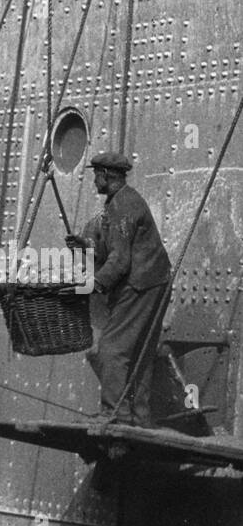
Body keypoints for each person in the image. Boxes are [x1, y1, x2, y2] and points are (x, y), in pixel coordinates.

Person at [65, 151, 172, 426]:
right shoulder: (121, 201)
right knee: (139, 353)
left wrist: (96, 283)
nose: (93, 182)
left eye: (95, 176)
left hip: (141, 284)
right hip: (152, 281)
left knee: (112, 348)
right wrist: (86, 246)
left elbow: (120, 260)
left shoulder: (123, 207)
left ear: (107, 176)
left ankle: (115, 415)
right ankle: (139, 417)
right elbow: (116, 246)